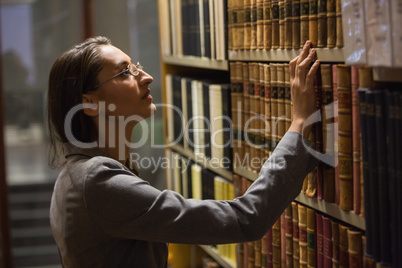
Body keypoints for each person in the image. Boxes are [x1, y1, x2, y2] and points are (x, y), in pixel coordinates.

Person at [47, 36, 320, 267]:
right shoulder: (96, 181)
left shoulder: (73, 176)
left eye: (136, 66)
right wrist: (299, 123)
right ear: (90, 103)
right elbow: (246, 218)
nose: (147, 76)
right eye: (125, 72)